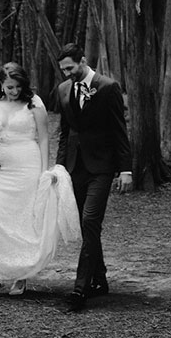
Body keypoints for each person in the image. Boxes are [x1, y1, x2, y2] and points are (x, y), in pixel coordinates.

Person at [0, 62, 79, 296]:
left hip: (28, 164)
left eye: (17, 87)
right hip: (1, 167)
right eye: (9, 87)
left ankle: (21, 276)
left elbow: (44, 138)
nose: (14, 91)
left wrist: (44, 172)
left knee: (23, 221)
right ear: (1, 85)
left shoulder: (34, 103)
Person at [55, 43, 133, 311]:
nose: (67, 74)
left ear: (83, 60)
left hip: (101, 167)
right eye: (63, 70)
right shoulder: (63, 90)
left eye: (71, 68)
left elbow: (119, 131)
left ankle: (80, 289)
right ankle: (100, 279)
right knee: (87, 226)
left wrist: (125, 169)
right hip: (75, 167)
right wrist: (59, 168)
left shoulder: (108, 87)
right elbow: (65, 133)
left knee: (90, 220)